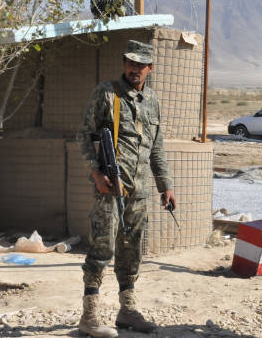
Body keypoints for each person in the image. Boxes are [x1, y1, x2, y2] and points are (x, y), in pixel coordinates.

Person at [76, 40, 176, 338]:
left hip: (140, 190)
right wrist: (96, 173)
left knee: (132, 251)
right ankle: (89, 316)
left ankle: (127, 310)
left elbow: (156, 147)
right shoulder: (107, 94)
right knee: (101, 249)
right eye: (130, 63)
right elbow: (83, 135)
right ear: (124, 64)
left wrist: (166, 185)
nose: (134, 69)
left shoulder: (152, 101)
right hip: (109, 187)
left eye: (140, 64)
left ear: (150, 68)